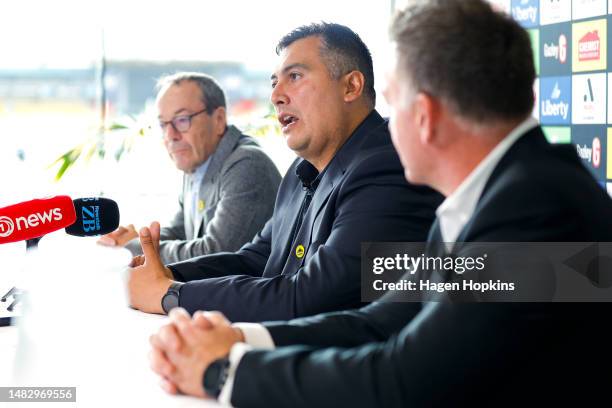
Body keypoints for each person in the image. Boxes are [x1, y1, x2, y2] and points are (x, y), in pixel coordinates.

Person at [147, 1, 612, 406]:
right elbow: (383, 320)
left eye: (391, 103)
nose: (385, 125)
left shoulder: (538, 209)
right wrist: (240, 339)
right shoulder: (496, 196)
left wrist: (222, 372)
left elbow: (404, 381)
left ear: (424, 116)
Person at [126, 23, 443, 320]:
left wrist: (173, 296)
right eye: (275, 82)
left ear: (351, 86)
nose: (276, 96)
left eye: (295, 77)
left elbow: (312, 295)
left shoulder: (387, 165)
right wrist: (170, 275)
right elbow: (257, 259)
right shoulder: (300, 172)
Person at [98, 73, 281, 264]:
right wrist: (137, 238)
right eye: (163, 124)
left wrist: (135, 246)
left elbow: (214, 255)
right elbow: (182, 231)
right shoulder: (198, 161)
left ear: (218, 119)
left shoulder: (247, 166)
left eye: (182, 120)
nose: (170, 135)